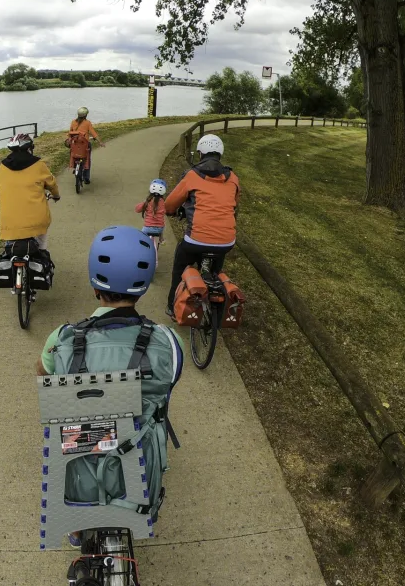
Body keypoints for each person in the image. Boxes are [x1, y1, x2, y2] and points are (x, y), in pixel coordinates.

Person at [36, 225, 184, 547]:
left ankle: (76, 526)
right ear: (143, 290)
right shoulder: (169, 343)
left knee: (69, 434)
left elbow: (43, 377)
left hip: (81, 463)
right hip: (140, 469)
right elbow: (169, 386)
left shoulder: (61, 340)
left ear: (95, 287)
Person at [164, 134, 240, 320]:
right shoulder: (233, 178)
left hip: (196, 240)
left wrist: (173, 212)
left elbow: (169, 205)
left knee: (180, 266)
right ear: (220, 154)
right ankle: (213, 283)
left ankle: (172, 308)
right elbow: (234, 206)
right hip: (226, 241)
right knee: (214, 266)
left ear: (200, 154)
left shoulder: (192, 175)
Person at [0, 133, 60, 253]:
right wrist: (56, 196)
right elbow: (52, 184)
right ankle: (42, 255)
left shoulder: (3, 166)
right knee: (41, 244)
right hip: (37, 221)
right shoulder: (39, 165)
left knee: (10, 250)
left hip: (10, 222)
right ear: (30, 148)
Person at [68, 106, 105, 184]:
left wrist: (69, 141)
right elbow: (93, 133)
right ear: (85, 115)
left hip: (75, 144)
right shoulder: (87, 123)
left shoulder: (73, 122)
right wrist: (100, 142)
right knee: (87, 159)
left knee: (74, 155)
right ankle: (86, 178)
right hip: (84, 145)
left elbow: (70, 133)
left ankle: (75, 168)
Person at [135, 179, 167, 244]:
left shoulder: (148, 202)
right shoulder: (164, 202)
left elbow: (137, 209)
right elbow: (166, 211)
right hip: (159, 229)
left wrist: (144, 203)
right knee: (160, 223)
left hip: (147, 228)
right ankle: (161, 239)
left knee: (141, 239)